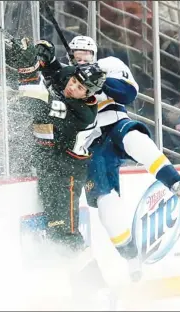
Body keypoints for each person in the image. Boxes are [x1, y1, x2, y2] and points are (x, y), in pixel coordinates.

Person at [67, 35, 180, 282]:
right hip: (90, 142)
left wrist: (99, 80)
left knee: (137, 140)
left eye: (86, 52)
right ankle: (131, 257)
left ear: (93, 53)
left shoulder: (109, 63)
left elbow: (128, 94)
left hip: (116, 122)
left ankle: (175, 182)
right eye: (76, 53)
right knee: (106, 207)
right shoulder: (65, 78)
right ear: (70, 55)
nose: (81, 56)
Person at [6, 38, 106, 254]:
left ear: (89, 94)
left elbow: (36, 104)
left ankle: (91, 283)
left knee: (64, 229)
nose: (72, 87)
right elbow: (53, 68)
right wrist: (43, 52)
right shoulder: (69, 76)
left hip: (67, 171)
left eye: (80, 88)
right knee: (54, 226)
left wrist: (28, 69)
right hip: (46, 157)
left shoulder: (83, 114)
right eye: (74, 81)